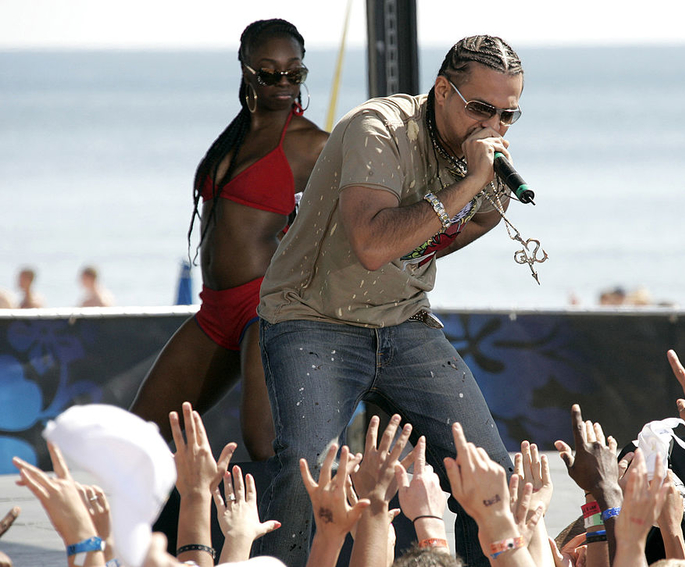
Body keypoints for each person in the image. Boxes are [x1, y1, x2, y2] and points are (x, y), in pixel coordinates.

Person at [255, 35, 523, 566]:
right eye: (482, 109)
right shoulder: (378, 128)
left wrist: (428, 237)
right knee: (307, 468)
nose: (493, 126)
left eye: (509, 114)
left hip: (403, 321)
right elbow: (375, 246)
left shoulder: (480, 149)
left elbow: (488, 215)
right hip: (312, 318)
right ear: (443, 91)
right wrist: (467, 185)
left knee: (489, 468)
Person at [129, 19, 328, 461]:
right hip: (215, 310)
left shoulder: (314, 145)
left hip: (265, 307)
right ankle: (151, 531)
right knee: (139, 435)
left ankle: (321, 530)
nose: (283, 82)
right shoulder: (236, 136)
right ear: (245, 69)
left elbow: (364, 210)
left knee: (265, 445)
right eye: (268, 72)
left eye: (294, 72)